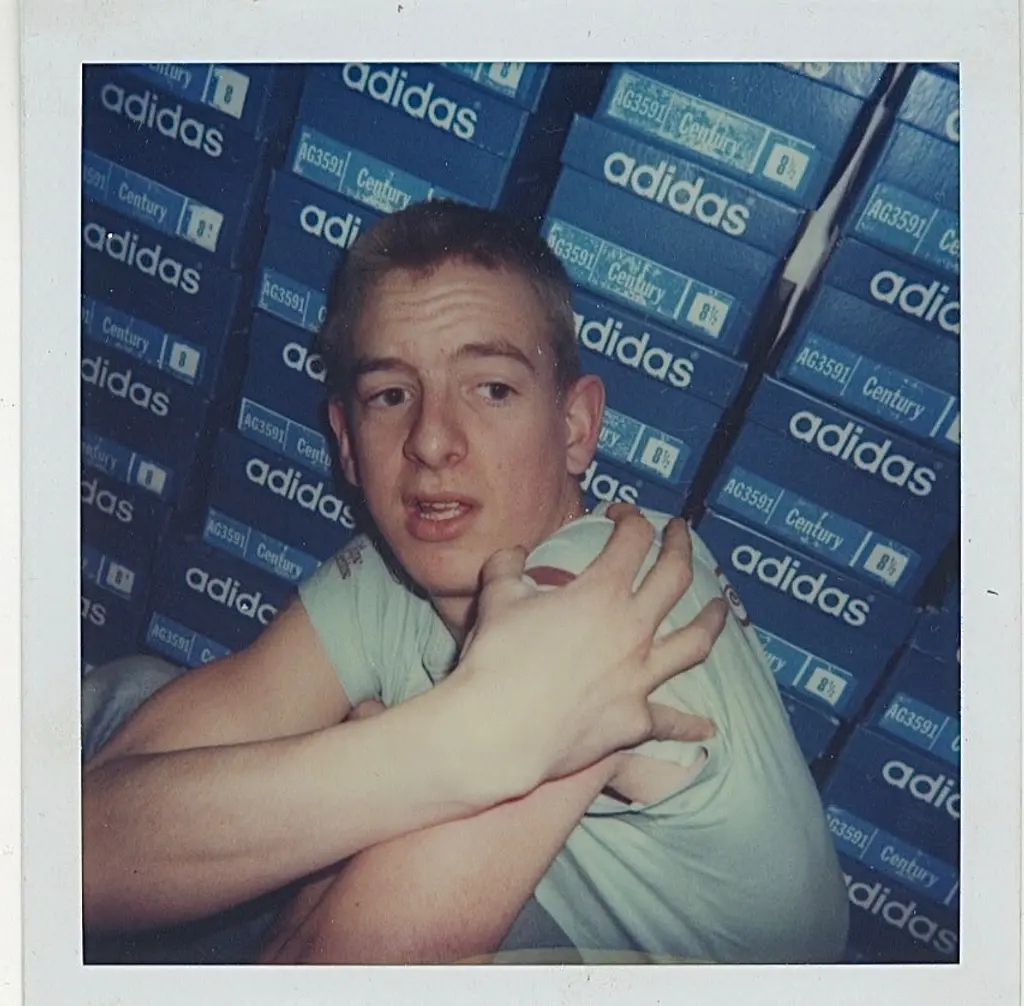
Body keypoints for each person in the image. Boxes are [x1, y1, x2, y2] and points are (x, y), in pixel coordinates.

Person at [80, 201, 729, 960]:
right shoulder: (390, 577)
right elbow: (73, 849)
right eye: (391, 395)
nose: (431, 441)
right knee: (120, 701)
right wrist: (463, 743)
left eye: (492, 388)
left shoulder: (601, 592)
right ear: (346, 442)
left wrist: (378, 795)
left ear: (576, 427)